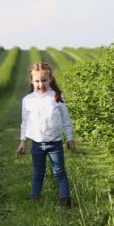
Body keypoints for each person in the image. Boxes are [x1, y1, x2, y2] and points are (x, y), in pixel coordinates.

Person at [15, 62, 76, 206]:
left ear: (50, 79)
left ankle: (65, 198)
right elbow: (25, 122)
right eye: (37, 81)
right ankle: (34, 196)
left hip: (54, 143)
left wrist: (70, 138)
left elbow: (66, 120)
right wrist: (22, 141)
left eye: (44, 80)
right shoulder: (28, 100)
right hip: (37, 143)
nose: (40, 84)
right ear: (31, 81)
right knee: (38, 172)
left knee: (59, 171)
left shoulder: (57, 97)